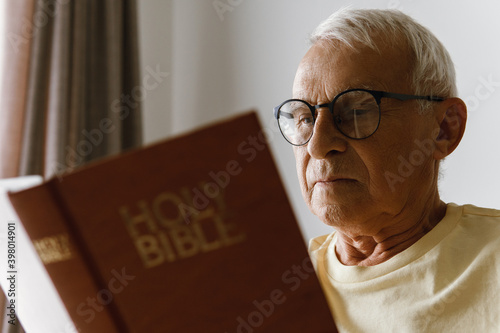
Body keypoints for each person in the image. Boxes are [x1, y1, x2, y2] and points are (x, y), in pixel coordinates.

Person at [273, 8, 500, 332]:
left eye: (355, 111)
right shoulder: (270, 292)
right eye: (305, 118)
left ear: (444, 129)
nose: (317, 146)